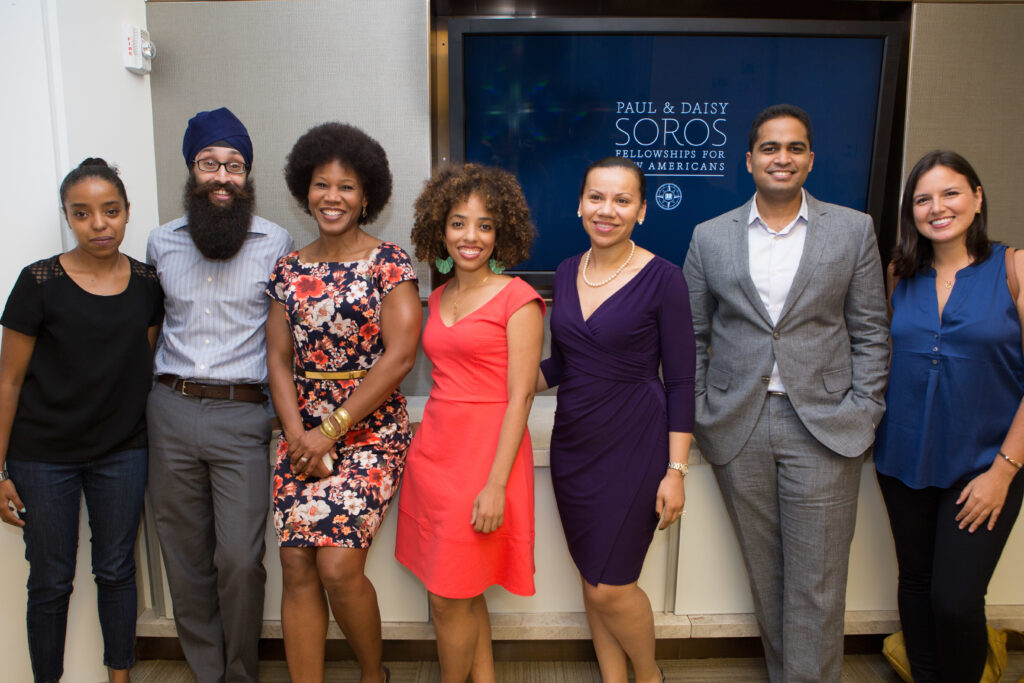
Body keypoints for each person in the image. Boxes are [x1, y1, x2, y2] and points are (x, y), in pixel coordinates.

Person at [683, 104, 889, 682]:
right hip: (737, 423)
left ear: (810, 160)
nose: (783, 157)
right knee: (768, 578)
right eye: (770, 148)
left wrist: (865, 409)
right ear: (749, 160)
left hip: (823, 425)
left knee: (816, 584)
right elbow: (692, 334)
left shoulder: (853, 229)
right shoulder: (709, 237)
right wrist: (702, 408)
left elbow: (872, 329)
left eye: (795, 148)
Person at [266, 122, 421, 683]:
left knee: (336, 562)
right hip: (301, 430)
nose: (332, 197)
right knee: (294, 561)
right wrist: (297, 435)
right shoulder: (288, 269)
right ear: (304, 189)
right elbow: (278, 360)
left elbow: (400, 357)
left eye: (347, 186)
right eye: (321, 185)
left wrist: (329, 429)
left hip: (370, 429)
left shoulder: (390, 264)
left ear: (367, 196)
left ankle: (372, 675)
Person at [0, 158, 163, 683]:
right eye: (83, 213)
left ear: (126, 213)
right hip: (42, 458)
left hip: (122, 453)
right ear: (68, 217)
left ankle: (120, 677)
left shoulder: (146, 284)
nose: (99, 224)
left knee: (116, 571)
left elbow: (142, 362)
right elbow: (8, 381)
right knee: (50, 579)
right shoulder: (38, 282)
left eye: (110, 211)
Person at [146, 107, 294, 682]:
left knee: (238, 558)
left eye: (234, 165)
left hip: (243, 414)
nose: (223, 177)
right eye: (210, 164)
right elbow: (150, 327)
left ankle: (240, 672)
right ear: (192, 170)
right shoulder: (161, 243)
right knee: (184, 557)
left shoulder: (274, 242)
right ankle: (208, 672)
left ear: (247, 174)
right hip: (171, 407)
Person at [537, 157, 694, 683]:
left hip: (637, 443)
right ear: (580, 203)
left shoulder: (664, 279)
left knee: (613, 584)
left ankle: (649, 677)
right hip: (575, 443)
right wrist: (503, 379)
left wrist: (677, 471)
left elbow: (682, 382)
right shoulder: (563, 271)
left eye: (622, 200)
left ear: (642, 211)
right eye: (597, 198)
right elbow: (562, 363)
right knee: (592, 576)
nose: (607, 210)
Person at [874, 150, 1024, 682]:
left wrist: (1003, 472)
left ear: (977, 197)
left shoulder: (1015, 267)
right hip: (903, 455)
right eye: (922, 199)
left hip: (986, 463)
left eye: (951, 193)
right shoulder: (899, 272)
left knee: (956, 599)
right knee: (914, 583)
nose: (937, 207)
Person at [396, 163, 544, 683]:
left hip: (485, 461)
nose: (470, 236)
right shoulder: (436, 299)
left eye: (484, 225)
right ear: (440, 228)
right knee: (463, 592)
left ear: (502, 231)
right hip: (435, 456)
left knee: (448, 598)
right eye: (459, 223)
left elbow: (521, 396)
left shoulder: (519, 299)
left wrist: (496, 485)